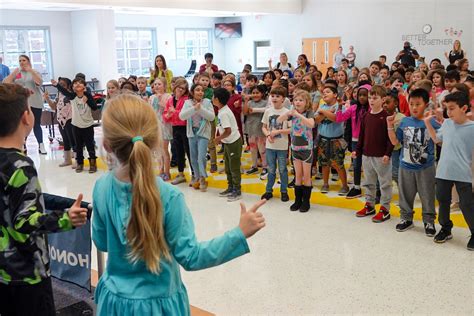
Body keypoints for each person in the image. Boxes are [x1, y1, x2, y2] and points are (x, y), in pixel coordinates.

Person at [92, 93, 266, 315]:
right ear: (155, 139)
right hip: (159, 307)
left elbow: (102, 242)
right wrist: (239, 233)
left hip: (114, 302)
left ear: (107, 145)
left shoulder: (101, 186)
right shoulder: (169, 196)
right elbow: (192, 257)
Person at [0, 83, 88, 316]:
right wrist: (65, 219)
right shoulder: (21, 166)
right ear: (26, 118)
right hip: (27, 275)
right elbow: (24, 221)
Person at [424, 91, 474, 250]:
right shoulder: (447, 124)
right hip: (443, 171)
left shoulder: (472, 127)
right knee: (443, 202)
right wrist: (428, 124)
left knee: (467, 204)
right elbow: (437, 140)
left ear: (464, 107)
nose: (448, 112)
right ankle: (445, 228)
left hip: (463, 173)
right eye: (447, 109)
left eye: (452, 108)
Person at [387, 88, 439, 236]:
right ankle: (406, 218)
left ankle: (429, 221)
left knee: (427, 194)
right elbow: (395, 141)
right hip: (406, 165)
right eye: (411, 104)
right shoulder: (405, 121)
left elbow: (440, 140)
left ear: (426, 104)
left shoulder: (431, 122)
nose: (414, 107)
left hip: (426, 167)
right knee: (405, 194)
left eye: (418, 104)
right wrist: (389, 125)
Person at [319, 83, 371, 199]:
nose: (362, 97)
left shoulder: (371, 109)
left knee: (368, 166)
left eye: (365, 95)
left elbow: (335, 119)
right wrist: (341, 107)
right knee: (356, 165)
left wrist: (324, 112)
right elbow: (339, 118)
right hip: (355, 141)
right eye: (359, 95)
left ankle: (373, 190)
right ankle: (357, 187)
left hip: (368, 141)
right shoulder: (353, 108)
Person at [353, 85, 394, 222]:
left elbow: (390, 139)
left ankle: (385, 209)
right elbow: (362, 135)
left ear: (383, 100)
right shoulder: (366, 116)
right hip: (367, 155)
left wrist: (388, 153)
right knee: (369, 182)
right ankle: (369, 205)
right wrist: (357, 151)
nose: (371, 100)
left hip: (382, 156)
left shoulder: (386, 117)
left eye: (375, 98)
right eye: (370, 97)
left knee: (384, 183)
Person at [278, 90, 315, 212]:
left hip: (306, 149)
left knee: (306, 176)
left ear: (306, 102)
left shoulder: (309, 112)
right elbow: (279, 120)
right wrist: (289, 113)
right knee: (297, 175)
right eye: (296, 100)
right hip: (295, 148)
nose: (298, 102)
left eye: (301, 100)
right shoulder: (292, 113)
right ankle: (297, 200)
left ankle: (306, 202)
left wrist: (298, 115)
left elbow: (311, 124)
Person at [53, 78, 98, 173]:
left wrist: (88, 101)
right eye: (75, 83)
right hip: (76, 125)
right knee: (78, 146)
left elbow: (94, 107)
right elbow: (64, 91)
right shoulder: (72, 96)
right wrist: (57, 85)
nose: (77, 84)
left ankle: (93, 164)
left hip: (88, 125)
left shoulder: (88, 95)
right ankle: (80, 164)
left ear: (84, 87)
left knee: (90, 145)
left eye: (80, 83)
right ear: (72, 87)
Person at [3, 55, 46, 154]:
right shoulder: (17, 73)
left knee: (36, 124)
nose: (22, 62)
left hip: (35, 101)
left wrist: (30, 70)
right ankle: (23, 145)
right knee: (21, 125)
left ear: (28, 61)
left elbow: (39, 82)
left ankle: (41, 145)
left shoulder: (34, 72)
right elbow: (5, 83)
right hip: (21, 102)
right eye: (20, 61)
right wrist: (14, 73)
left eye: (24, 60)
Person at [179, 83, 215, 191]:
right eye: (197, 90)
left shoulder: (207, 102)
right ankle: (197, 177)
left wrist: (200, 109)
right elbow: (182, 116)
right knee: (193, 157)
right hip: (191, 133)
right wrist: (194, 108)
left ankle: (203, 177)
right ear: (192, 92)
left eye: (202, 90)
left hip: (203, 133)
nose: (200, 92)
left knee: (201, 157)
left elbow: (212, 117)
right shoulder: (188, 103)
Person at [314, 85, 350, 195]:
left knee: (338, 164)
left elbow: (336, 119)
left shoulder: (340, 107)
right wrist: (327, 112)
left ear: (335, 94)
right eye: (323, 92)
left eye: (327, 92)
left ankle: (345, 186)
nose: (324, 94)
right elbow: (316, 120)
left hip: (337, 140)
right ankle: (325, 184)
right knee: (324, 164)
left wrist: (323, 112)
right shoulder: (323, 106)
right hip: (323, 140)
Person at [261, 86, 291, 202]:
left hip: (282, 146)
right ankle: (269, 191)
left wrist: (278, 131)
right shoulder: (268, 111)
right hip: (270, 146)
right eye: (272, 96)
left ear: (283, 99)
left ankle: (284, 191)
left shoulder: (287, 112)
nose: (274, 98)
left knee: (283, 169)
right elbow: (263, 127)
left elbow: (291, 129)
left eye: (278, 96)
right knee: (271, 169)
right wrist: (268, 135)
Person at [214, 88, 243, 202]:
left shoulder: (224, 113)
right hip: (227, 142)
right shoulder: (221, 110)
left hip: (233, 142)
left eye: (213, 97)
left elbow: (228, 131)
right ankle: (230, 187)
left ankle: (237, 189)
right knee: (228, 167)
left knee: (234, 167)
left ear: (217, 99)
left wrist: (218, 139)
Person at [163, 78, 192, 185]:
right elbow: (165, 116)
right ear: (175, 87)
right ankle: (181, 174)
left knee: (189, 151)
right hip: (175, 128)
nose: (181, 90)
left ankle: (194, 174)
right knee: (178, 151)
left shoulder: (186, 100)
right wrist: (169, 114)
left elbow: (185, 115)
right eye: (179, 87)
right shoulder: (170, 100)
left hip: (185, 128)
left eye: (183, 88)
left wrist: (174, 112)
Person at [44, 77, 76, 167]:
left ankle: (78, 161)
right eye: (59, 84)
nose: (60, 86)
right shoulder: (59, 94)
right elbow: (54, 107)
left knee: (73, 140)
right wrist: (47, 99)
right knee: (65, 140)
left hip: (70, 120)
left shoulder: (71, 94)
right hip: (61, 121)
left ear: (68, 86)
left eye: (63, 84)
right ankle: (67, 160)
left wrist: (57, 85)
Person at [149, 77, 172, 181]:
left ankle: (167, 172)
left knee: (164, 150)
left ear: (164, 86)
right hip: (155, 125)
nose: (157, 86)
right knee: (158, 151)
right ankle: (160, 171)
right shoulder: (151, 97)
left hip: (164, 125)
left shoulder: (168, 96)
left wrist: (159, 98)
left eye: (159, 84)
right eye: (155, 84)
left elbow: (166, 109)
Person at [243, 85, 268, 176]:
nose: (255, 95)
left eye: (257, 93)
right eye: (253, 93)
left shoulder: (265, 103)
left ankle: (265, 167)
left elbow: (267, 111)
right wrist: (246, 101)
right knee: (253, 148)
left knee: (262, 149)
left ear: (262, 94)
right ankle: (254, 166)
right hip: (250, 128)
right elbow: (245, 112)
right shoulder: (249, 103)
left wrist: (253, 110)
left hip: (261, 129)